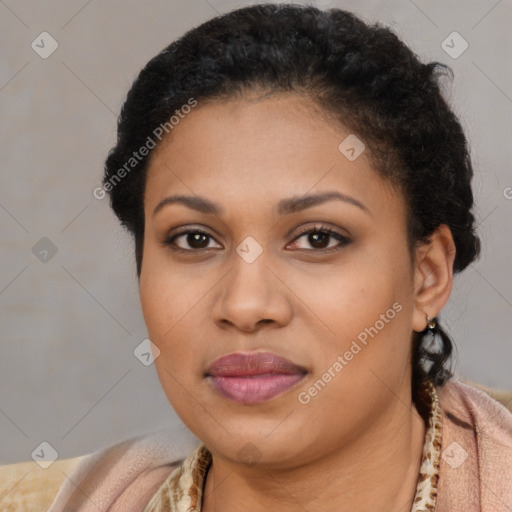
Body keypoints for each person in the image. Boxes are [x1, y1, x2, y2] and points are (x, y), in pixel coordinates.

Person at [48, 3, 512, 511]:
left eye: (317, 239)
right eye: (195, 239)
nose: (246, 306)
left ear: (426, 276)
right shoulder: (91, 497)